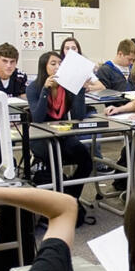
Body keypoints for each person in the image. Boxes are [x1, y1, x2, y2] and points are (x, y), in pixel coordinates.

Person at [27, 50, 94, 201]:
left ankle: (71, 196)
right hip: (40, 136)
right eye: (53, 64)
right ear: (44, 67)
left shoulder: (68, 85)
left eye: (60, 63)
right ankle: (58, 200)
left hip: (63, 134)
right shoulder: (34, 88)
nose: (57, 67)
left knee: (86, 161)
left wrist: (80, 90)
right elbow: (37, 118)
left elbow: (78, 116)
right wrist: (45, 90)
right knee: (54, 162)